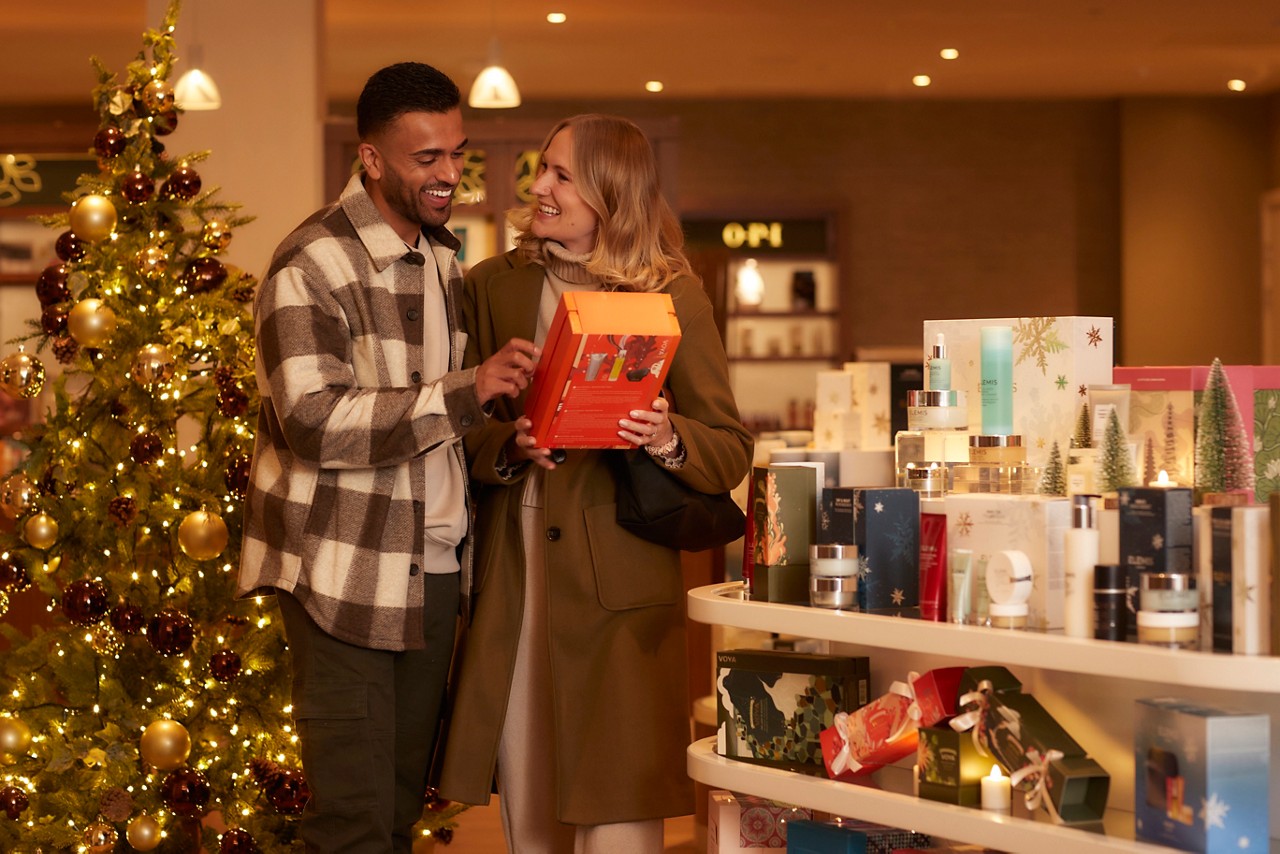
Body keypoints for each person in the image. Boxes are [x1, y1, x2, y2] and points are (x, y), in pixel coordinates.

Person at [237, 62, 538, 853]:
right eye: (425, 159)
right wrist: (467, 391)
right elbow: (313, 422)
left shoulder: (441, 262)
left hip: (434, 573)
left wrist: (504, 442)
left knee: (400, 814)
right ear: (371, 159)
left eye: (456, 153)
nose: (450, 175)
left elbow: (442, 425)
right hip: (343, 572)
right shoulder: (310, 265)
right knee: (353, 824)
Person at [438, 114, 753, 853]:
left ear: (611, 193)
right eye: (542, 170)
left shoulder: (673, 294)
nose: (539, 188)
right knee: (532, 813)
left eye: (561, 175)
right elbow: (458, 430)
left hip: (620, 597)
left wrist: (667, 437)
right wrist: (509, 446)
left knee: (619, 818)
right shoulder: (492, 288)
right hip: (515, 579)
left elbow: (729, 449)